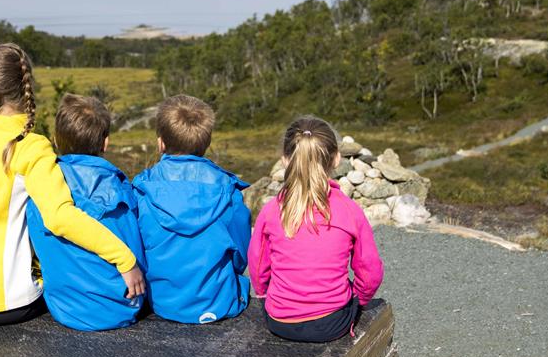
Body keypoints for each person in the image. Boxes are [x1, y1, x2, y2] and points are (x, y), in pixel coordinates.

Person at [0, 43, 144, 325]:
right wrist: (125, 259)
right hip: (7, 303)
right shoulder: (31, 146)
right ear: (27, 84)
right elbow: (61, 218)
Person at [248, 116, 384, 342]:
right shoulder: (349, 210)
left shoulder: (272, 210)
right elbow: (370, 272)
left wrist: (264, 295)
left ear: (285, 160)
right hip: (330, 324)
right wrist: (358, 299)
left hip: (279, 321)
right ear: (337, 158)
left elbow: (258, 264)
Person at [27, 94, 146, 331]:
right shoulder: (122, 190)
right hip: (123, 306)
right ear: (106, 143)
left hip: (65, 308)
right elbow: (138, 252)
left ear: (55, 140)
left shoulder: (43, 191)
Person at [133, 94, 251, 324]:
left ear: (161, 143)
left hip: (162, 303)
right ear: (206, 143)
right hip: (220, 302)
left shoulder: (141, 191)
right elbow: (240, 255)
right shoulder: (228, 193)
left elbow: (137, 252)